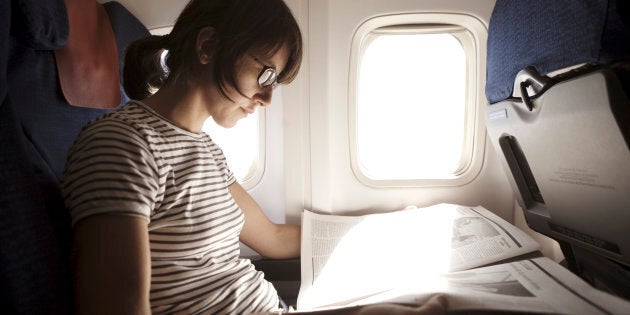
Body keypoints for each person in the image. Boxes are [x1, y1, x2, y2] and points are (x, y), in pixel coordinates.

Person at [61, 0, 447, 314]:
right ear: (207, 46)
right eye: (265, 76)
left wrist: (389, 232)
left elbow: (274, 240)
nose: (266, 99)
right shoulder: (123, 145)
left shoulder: (205, 150)